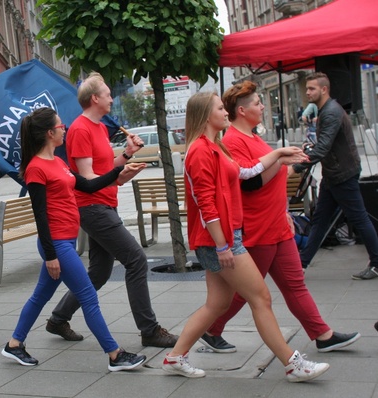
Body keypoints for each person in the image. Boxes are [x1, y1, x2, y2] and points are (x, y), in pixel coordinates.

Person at [161, 92, 330, 383]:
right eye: (219, 109)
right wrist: (223, 245)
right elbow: (205, 204)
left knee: (217, 304)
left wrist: (278, 154)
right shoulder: (200, 151)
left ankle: (175, 356)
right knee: (260, 297)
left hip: (224, 238)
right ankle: (293, 364)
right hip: (221, 240)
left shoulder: (214, 146)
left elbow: (246, 171)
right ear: (205, 115)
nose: (225, 113)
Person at [198, 81, 359, 354]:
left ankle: (323, 334)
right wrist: (279, 160)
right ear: (242, 110)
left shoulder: (255, 137)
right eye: (258, 103)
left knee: (293, 284)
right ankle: (211, 329)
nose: (262, 107)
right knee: (247, 293)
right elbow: (249, 183)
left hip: (277, 224)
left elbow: (272, 177)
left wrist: (285, 203)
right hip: (257, 227)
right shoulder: (233, 141)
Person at [1, 107, 147, 371]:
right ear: (49, 133)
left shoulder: (58, 162)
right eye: (60, 125)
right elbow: (40, 216)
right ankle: (115, 355)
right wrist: (50, 255)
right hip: (57, 243)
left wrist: (120, 171)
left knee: (39, 297)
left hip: (65, 241)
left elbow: (88, 186)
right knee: (89, 296)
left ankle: (14, 344)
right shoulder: (36, 168)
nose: (64, 127)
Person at [45, 72, 177, 348]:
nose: (111, 97)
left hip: (105, 204)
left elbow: (104, 171)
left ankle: (58, 318)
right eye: (107, 93)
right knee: (136, 259)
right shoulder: (80, 129)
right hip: (92, 207)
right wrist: (120, 171)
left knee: (99, 272)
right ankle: (149, 330)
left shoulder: (100, 128)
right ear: (95, 98)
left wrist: (127, 157)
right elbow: (87, 179)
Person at [294, 73, 378, 279]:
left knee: (359, 218)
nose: (308, 92)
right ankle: (302, 263)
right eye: (307, 89)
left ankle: (376, 263)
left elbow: (323, 148)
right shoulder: (328, 110)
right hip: (335, 174)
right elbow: (326, 145)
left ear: (324, 90)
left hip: (341, 175)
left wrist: (296, 166)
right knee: (321, 220)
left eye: (312, 89)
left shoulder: (330, 112)